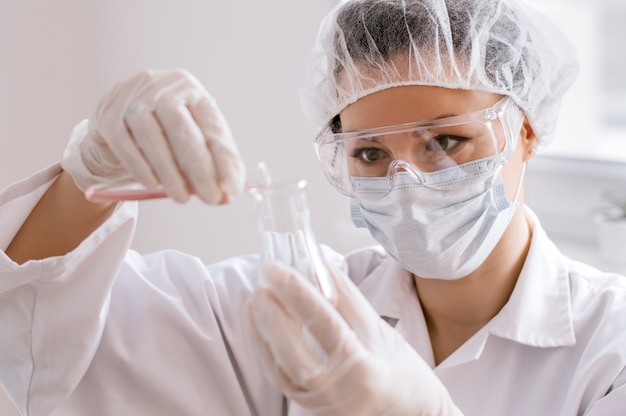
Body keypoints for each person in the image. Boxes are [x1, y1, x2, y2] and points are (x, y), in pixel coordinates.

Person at [2, 0, 625, 414]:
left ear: (527, 132)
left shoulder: (611, 347)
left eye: (446, 141)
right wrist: (88, 174)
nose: (407, 182)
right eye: (371, 154)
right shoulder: (298, 307)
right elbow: (45, 336)